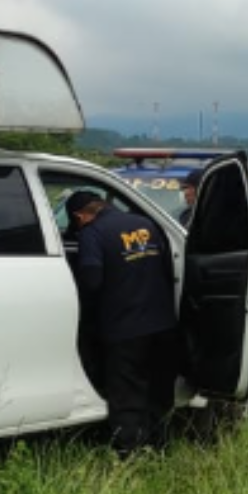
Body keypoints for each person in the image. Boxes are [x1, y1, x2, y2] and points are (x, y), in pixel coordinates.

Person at [70, 191, 178, 455]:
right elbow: (167, 268)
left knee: (127, 394)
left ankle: (130, 455)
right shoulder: (145, 224)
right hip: (163, 324)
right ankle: (159, 447)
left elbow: (92, 280)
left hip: (125, 328)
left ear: (80, 216)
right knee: (158, 390)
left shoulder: (91, 233)